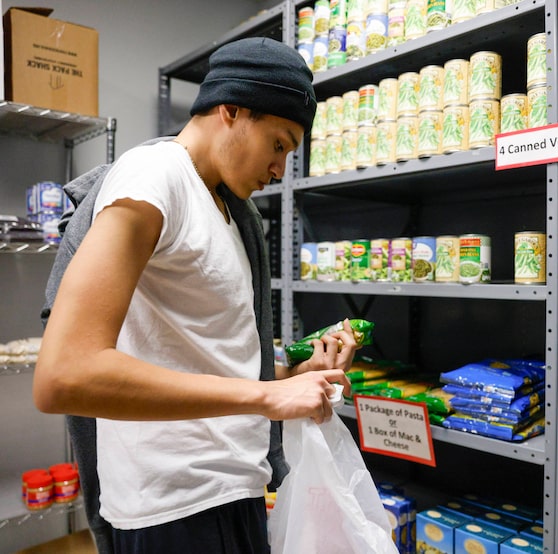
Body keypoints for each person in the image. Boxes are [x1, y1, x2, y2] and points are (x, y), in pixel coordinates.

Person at [33, 37, 354, 554]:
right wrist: (267, 397)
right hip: (174, 510)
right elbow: (64, 375)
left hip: (231, 492)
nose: (280, 171)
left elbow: (193, 357)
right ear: (231, 107)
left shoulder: (228, 211)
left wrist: (288, 379)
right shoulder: (155, 178)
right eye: (279, 144)